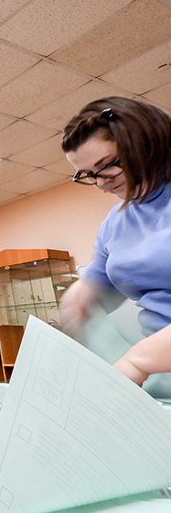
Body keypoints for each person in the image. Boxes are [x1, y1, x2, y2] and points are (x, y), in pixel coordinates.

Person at [59, 96, 171, 389]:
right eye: (87, 174)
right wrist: (81, 294)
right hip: (160, 371)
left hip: (151, 362)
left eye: (106, 165)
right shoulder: (115, 223)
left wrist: (138, 361)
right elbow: (100, 278)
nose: (100, 182)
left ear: (145, 142)